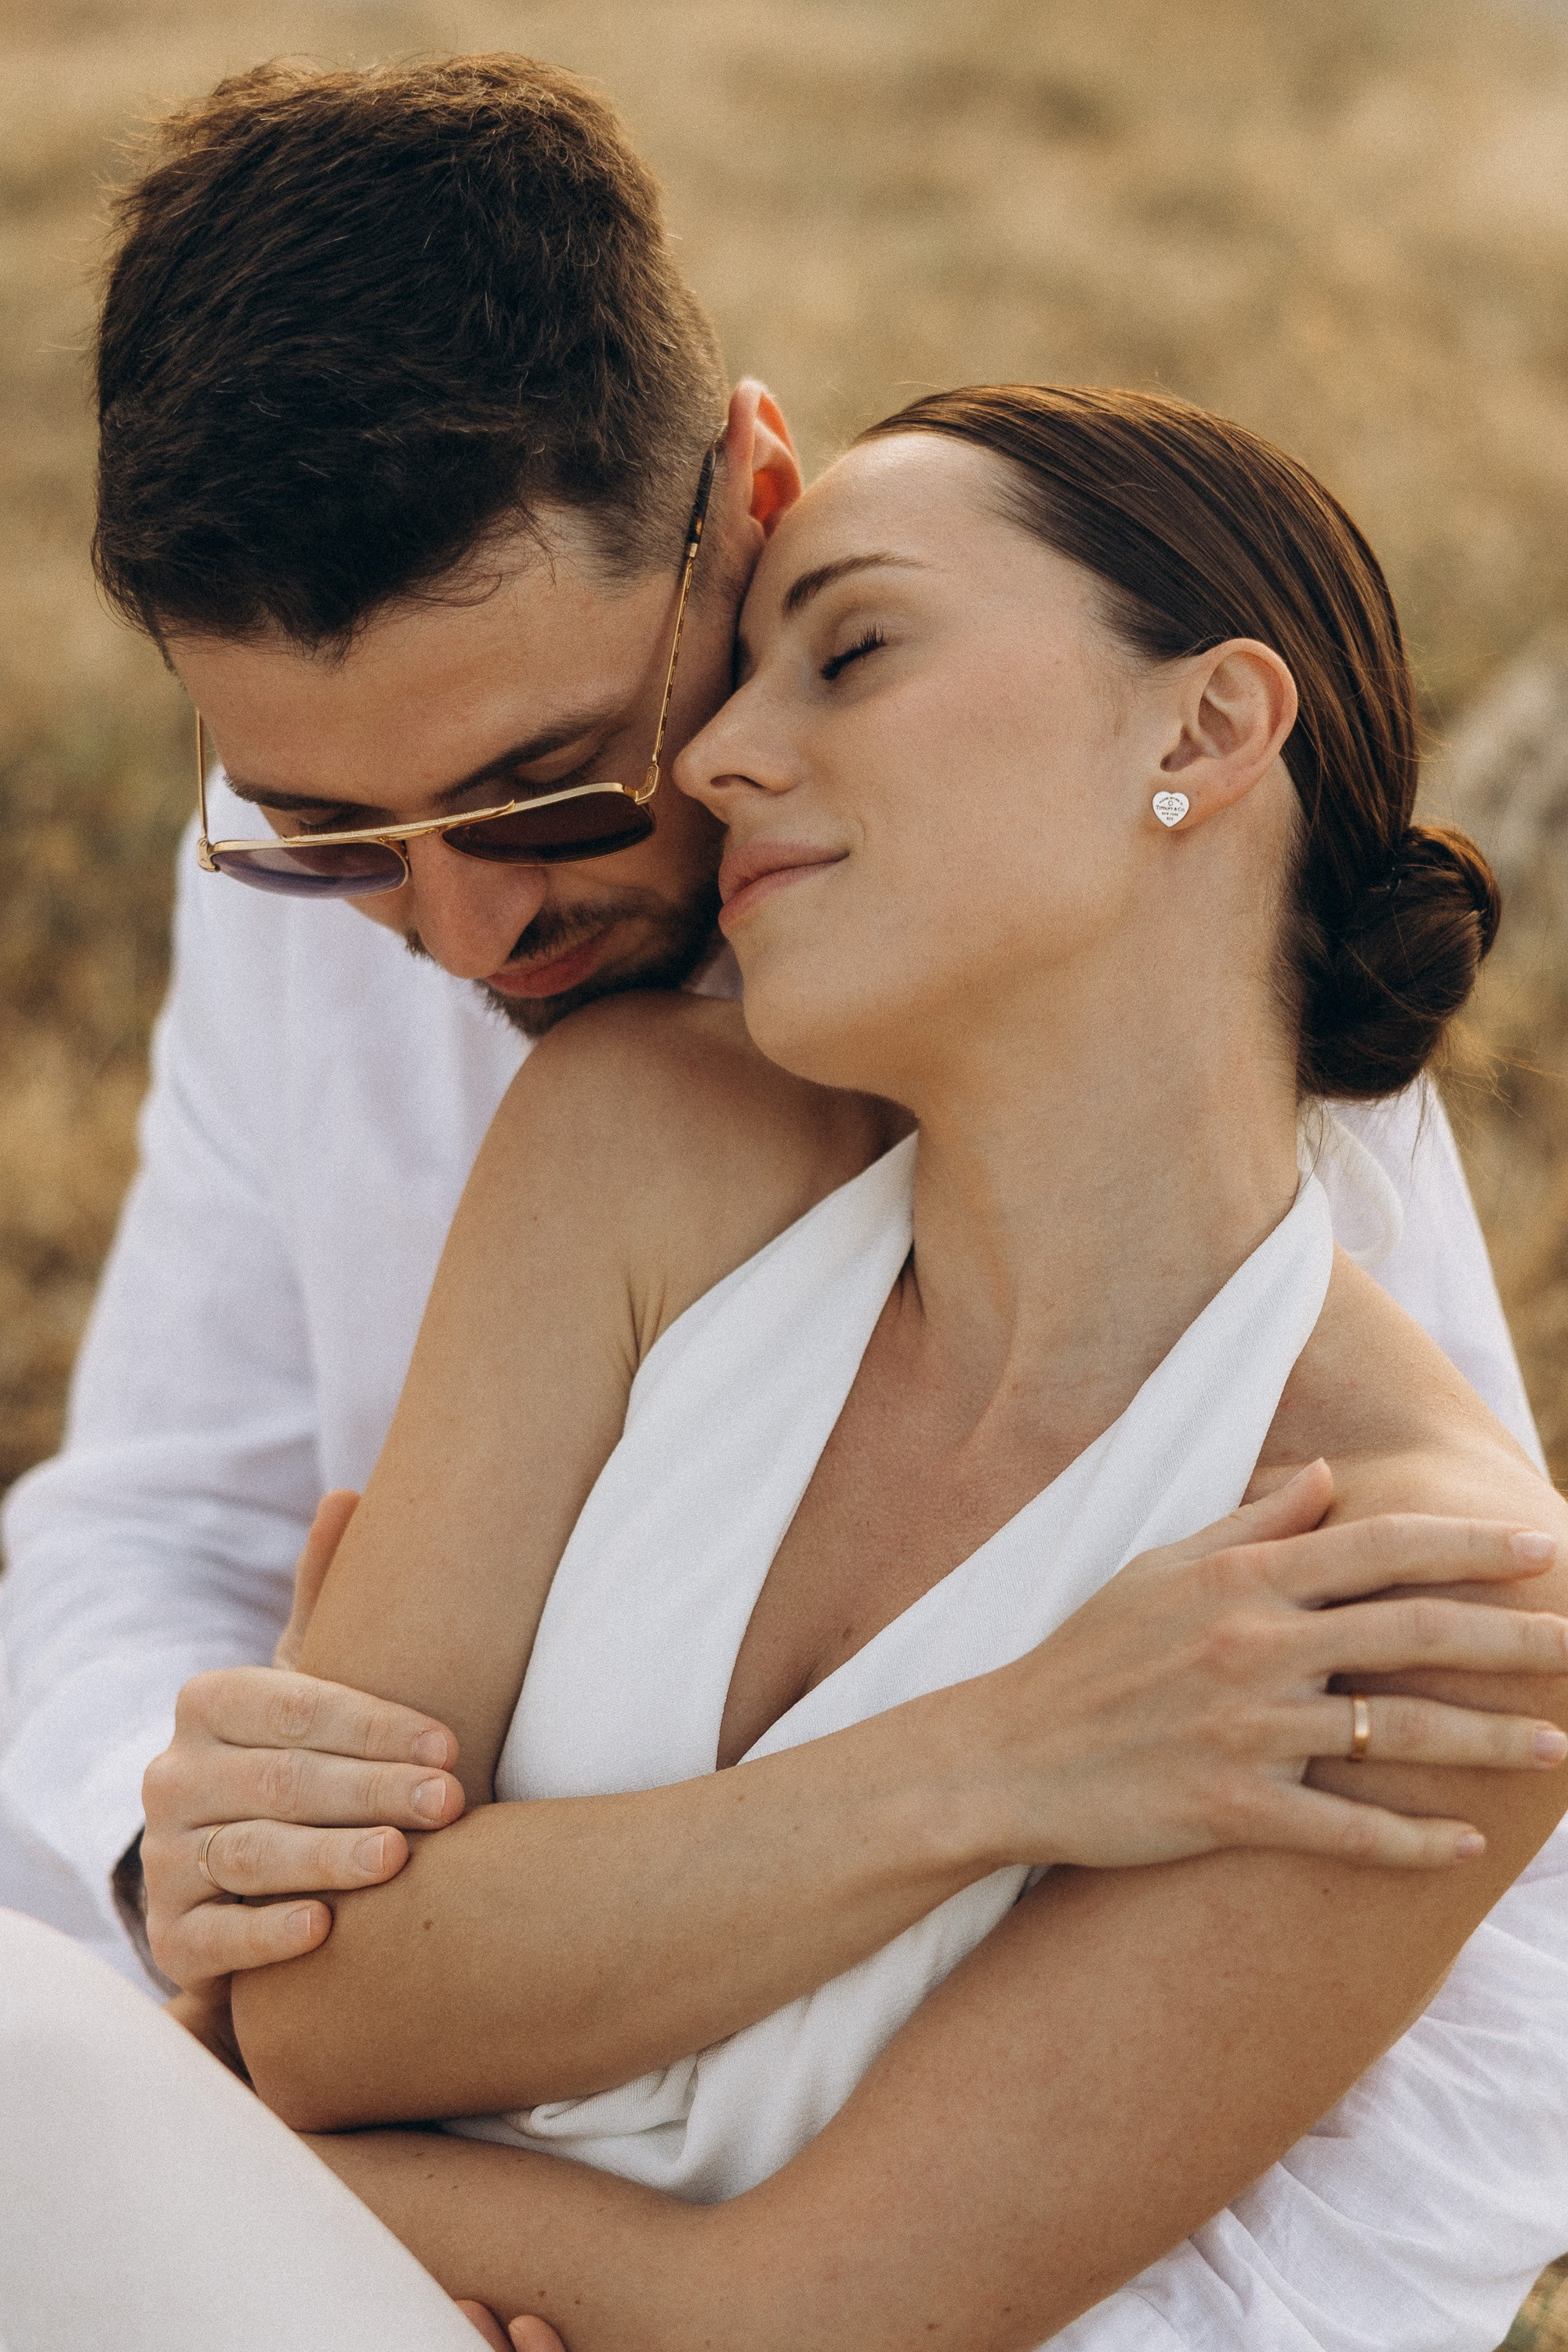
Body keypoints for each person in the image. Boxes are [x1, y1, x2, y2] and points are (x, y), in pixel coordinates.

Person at [0, 52, 1559, 2350]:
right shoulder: (600, 1107)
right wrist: (185, 1844)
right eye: (325, 839)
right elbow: (161, 1530)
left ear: (747, 505)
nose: (457, 930)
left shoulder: (1260, 1193)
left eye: (548, 788)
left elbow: (1478, 2001)